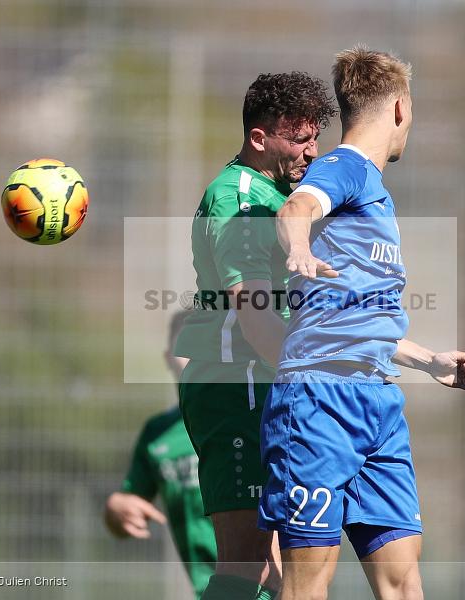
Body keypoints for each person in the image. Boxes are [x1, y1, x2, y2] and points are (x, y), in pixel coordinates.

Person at [258, 47, 465, 600]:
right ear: (401, 109)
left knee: (403, 581)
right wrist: (300, 247)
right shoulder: (346, 166)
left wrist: (428, 360)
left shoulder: (376, 198)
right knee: (309, 581)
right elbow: (296, 209)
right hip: (319, 404)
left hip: (376, 404)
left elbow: (360, 319)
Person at [173, 72, 337, 600]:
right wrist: (311, 377)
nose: (311, 152)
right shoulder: (242, 197)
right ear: (259, 138)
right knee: (245, 561)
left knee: (275, 570)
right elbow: (253, 310)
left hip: (255, 382)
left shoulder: (275, 192)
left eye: (316, 139)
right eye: (299, 140)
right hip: (235, 382)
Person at [104, 310, 216, 598]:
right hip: (205, 589)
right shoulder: (158, 434)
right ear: (168, 358)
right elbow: (129, 503)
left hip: (267, 582)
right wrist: (115, 511)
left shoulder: (251, 417)